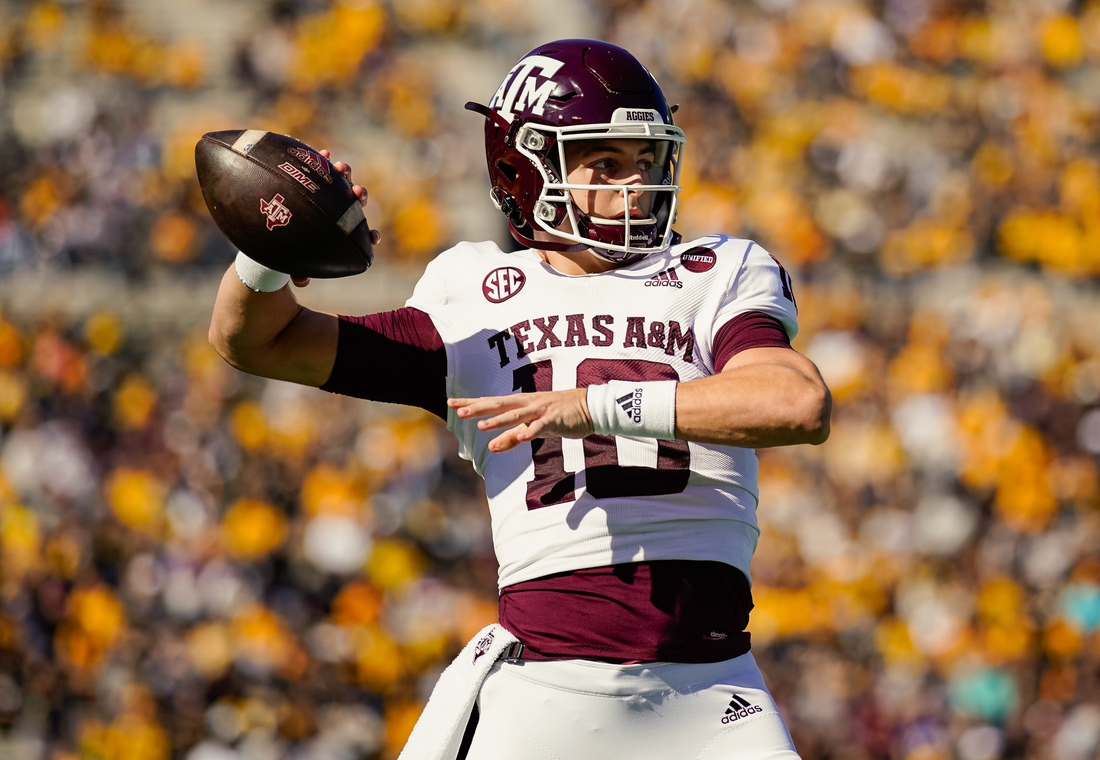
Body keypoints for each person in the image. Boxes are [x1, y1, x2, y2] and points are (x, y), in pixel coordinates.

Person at [208, 39, 830, 760]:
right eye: (606, 163)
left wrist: (595, 406)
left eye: (646, 161)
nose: (636, 185)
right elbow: (259, 342)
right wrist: (266, 249)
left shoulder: (716, 269)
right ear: (524, 171)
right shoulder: (475, 291)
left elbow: (795, 403)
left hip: (713, 692)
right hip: (543, 695)